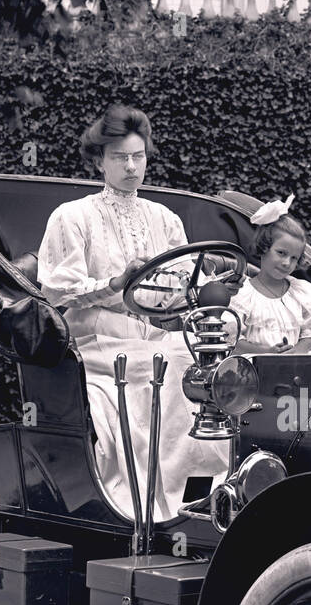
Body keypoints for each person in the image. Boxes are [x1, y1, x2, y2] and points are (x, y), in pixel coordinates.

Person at [36, 104, 230, 523]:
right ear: (98, 161)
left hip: (156, 338)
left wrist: (203, 285)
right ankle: (150, 509)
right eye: (119, 157)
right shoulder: (73, 217)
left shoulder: (166, 219)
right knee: (171, 363)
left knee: (209, 362)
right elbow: (55, 290)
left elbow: (181, 287)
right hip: (95, 342)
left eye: (138, 156)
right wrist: (114, 286)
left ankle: (203, 492)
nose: (130, 166)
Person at [231, 201, 311, 355]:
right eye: (281, 253)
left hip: (295, 365)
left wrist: (299, 351)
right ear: (263, 248)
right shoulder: (242, 294)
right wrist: (268, 352)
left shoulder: (300, 293)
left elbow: (307, 334)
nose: (287, 263)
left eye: (294, 258)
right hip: (256, 366)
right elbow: (234, 342)